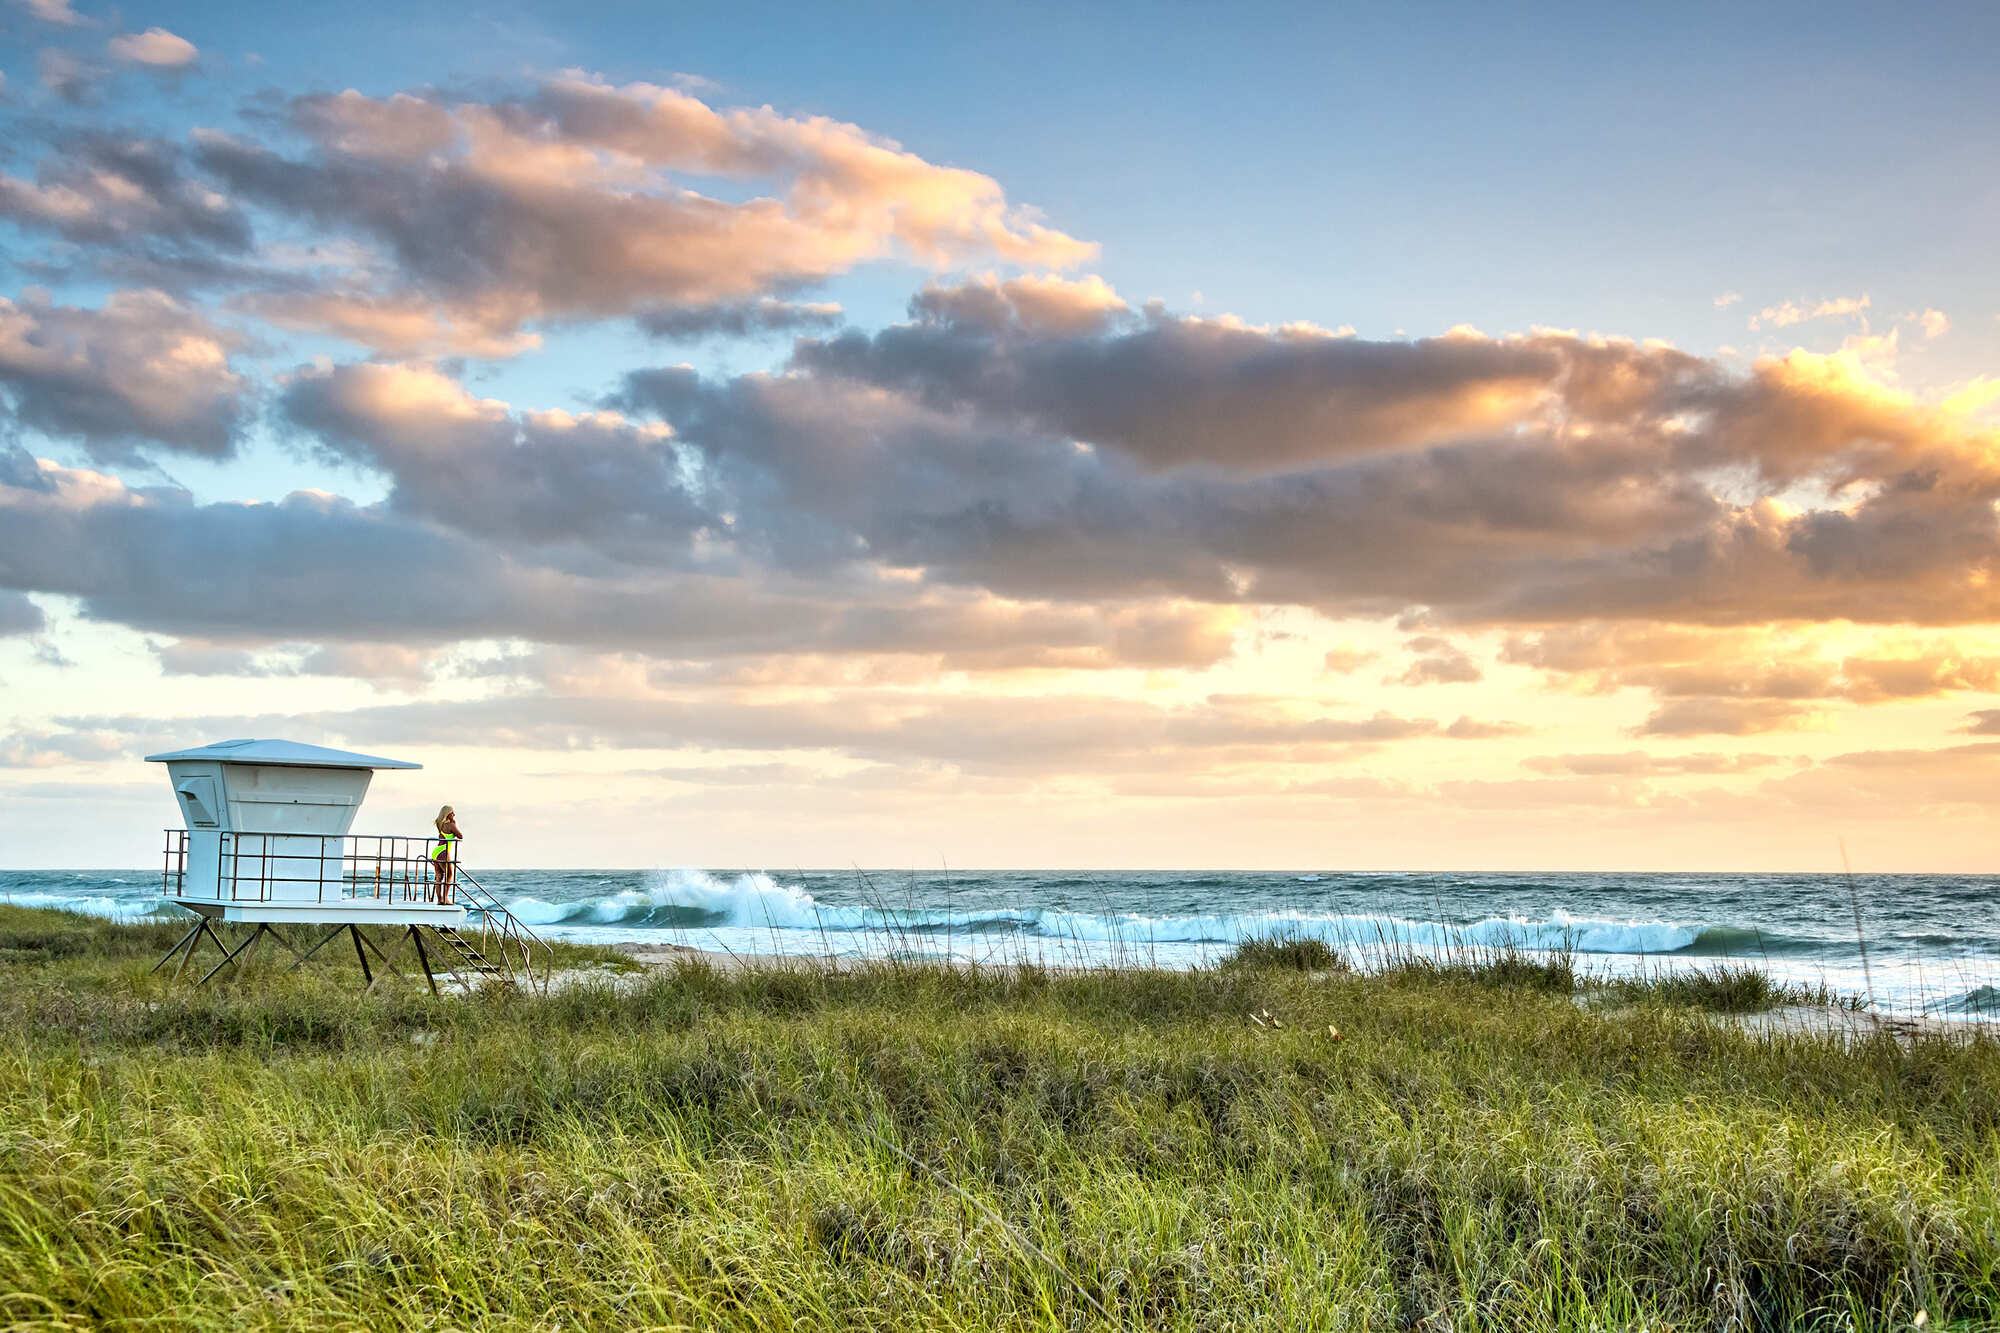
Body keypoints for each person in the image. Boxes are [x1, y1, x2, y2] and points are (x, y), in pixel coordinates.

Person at [431, 805, 462, 902]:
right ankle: (445, 898)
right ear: (448, 814)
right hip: (444, 851)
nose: (454, 814)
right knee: (450, 874)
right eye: (452, 813)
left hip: (436, 851)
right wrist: (454, 824)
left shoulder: (440, 824)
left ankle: (439, 899)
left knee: (439, 876)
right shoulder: (450, 825)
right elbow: (460, 836)